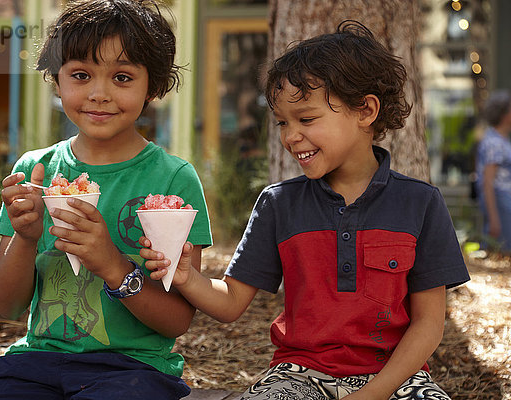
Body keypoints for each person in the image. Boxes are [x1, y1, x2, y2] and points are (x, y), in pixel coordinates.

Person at [141, 21, 470, 400]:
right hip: (298, 377)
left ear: (365, 110)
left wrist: (372, 394)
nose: (290, 136)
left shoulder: (421, 203)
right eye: (282, 122)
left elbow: (429, 324)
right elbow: (231, 302)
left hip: (396, 379)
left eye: (306, 119)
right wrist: (186, 277)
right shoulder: (278, 203)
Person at [0, 0, 212, 398]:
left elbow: (176, 321)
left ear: (154, 85)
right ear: (56, 80)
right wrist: (26, 238)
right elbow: (6, 306)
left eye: (122, 77)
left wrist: (112, 265)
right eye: (81, 74)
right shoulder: (35, 171)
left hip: (134, 369)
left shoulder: (172, 180)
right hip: (35, 362)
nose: (99, 93)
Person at [475, 90, 511, 254]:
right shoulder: (493, 142)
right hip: (501, 205)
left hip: (505, 204)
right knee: (501, 250)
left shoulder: (501, 140)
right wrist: (494, 218)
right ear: (504, 114)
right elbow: (487, 182)